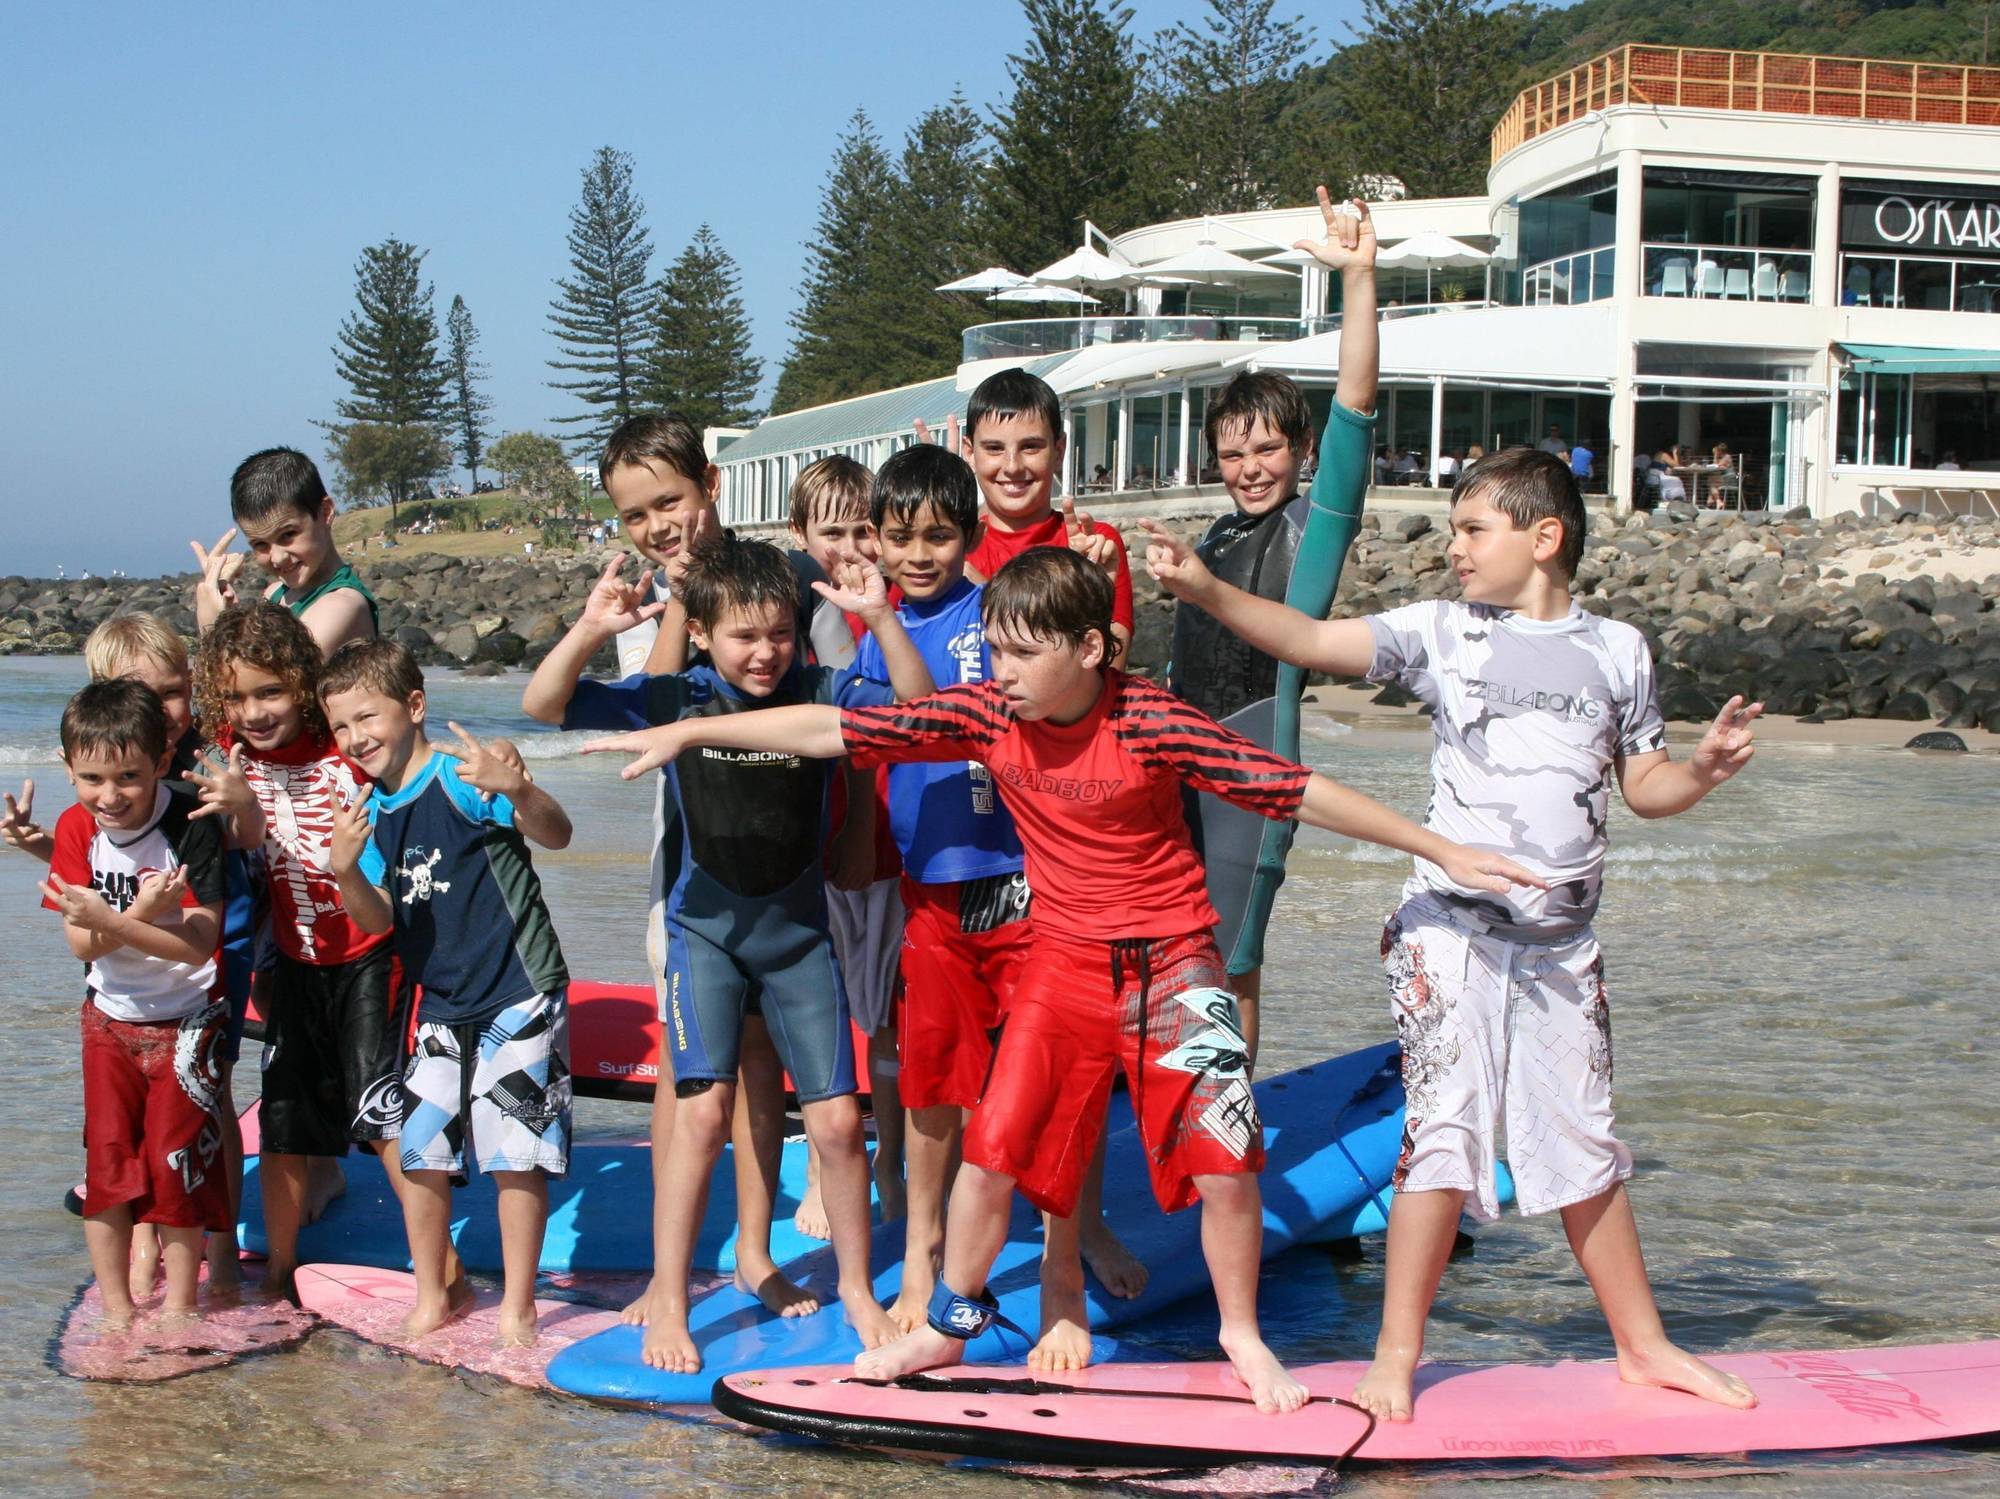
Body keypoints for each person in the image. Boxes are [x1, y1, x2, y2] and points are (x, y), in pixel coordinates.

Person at [583, 547, 1544, 1412]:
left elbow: (1292, 789)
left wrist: (1440, 847)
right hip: (1063, 963)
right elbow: (836, 727)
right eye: (992, 649)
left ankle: (1242, 1337)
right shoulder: (993, 712)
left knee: (1229, 1163)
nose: (997, 671)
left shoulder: (1154, 720)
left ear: (1090, 648)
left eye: (1017, 653)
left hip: (1178, 967)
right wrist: (689, 736)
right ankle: (944, 1328)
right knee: (993, 1152)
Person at [1144, 447, 1765, 1423]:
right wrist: (1207, 587)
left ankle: (1642, 1344)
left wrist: (1701, 770)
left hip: (1560, 946)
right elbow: (1305, 639)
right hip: (1448, 934)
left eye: (1473, 528)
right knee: (1441, 1132)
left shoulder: (1618, 652)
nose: (1454, 546)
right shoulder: (1441, 634)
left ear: (1543, 536)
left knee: (1582, 1142)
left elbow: (1640, 788)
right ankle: (1396, 1354)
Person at [529, 533, 933, 1373]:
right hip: (704, 932)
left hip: (798, 936)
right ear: (704, 631)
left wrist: (879, 619)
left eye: (780, 631)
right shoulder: (675, 692)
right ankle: (672, 1295)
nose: (765, 651)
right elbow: (543, 704)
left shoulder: (823, 684)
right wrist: (588, 631)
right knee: (705, 1112)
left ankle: (857, 1286)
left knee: (832, 1120)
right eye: (744, 635)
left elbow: (919, 709)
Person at [1161, 189, 1379, 1068]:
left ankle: (1233, 1141)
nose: (1252, 468)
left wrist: (1360, 279)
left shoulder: (1310, 531)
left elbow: (1358, 408)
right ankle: (1200, 1115)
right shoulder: (1215, 536)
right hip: (1183, 768)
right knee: (1184, 957)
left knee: (1232, 965)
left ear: (1300, 451)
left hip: (1251, 775)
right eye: (1234, 452)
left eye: (1269, 449)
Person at [844, 444, 1047, 1353]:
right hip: (930, 884)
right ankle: (923, 1246)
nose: (919, 553)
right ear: (877, 541)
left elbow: (936, 719)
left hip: (1013, 875)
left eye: (937, 535)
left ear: (969, 536)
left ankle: (1072, 1236)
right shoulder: (863, 636)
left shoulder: (990, 619)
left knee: (1035, 1069)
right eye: (901, 537)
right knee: (932, 1076)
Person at [323, 640, 572, 1347]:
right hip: (440, 1003)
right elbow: (378, 920)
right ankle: (436, 1293)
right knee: (420, 1152)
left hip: (518, 990)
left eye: (365, 716)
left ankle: (519, 1307)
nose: (354, 737)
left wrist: (519, 788)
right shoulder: (373, 808)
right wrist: (345, 870)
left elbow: (557, 833)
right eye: (340, 726)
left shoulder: (465, 777)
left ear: (415, 706)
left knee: (514, 1154)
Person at [191, 602, 440, 1304]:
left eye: (270, 692)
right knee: (283, 1117)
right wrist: (240, 796)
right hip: (295, 961)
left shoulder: (343, 751)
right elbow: (241, 842)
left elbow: (414, 771)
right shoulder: (231, 753)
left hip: (372, 956)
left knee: (378, 1109)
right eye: (237, 697)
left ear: (302, 684)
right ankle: (278, 1269)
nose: (255, 710)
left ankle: (438, 1266)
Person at [37, 679, 230, 1332]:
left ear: (160, 760)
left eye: (129, 775)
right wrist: (140, 915)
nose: (110, 794)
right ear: (68, 769)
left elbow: (201, 946)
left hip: (188, 1022)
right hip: (108, 1021)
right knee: (108, 1168)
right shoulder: (73, 828)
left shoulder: (192, 821)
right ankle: (118, 1311)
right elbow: (75, 943)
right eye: (91, 777)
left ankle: (179, 1308)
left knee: (178, 1169)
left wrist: (122, 918)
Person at [786, 456, 908, 1232]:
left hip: (896, 837)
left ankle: (890, 1158)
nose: (850, 547)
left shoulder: (889, 608)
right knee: (821, 1004)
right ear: (800, 537)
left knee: (893, 1011)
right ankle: (824, 1168)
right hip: (820, 837)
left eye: (865, 529)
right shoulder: (797, 610)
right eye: (831, 532)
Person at [959, 367, 1136, 669]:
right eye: (993, 448)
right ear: (969, 452)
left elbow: (1109, 672)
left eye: (1030, 447)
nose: (1012, 466)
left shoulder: (1095, 546)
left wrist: (1087, 591)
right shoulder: (948, 552)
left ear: (1059, 450)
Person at [190, 448, 378, 658]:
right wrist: (223, 600)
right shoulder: (276, 594)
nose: (278, 557)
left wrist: (214, 627)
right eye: (260, 545)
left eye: (288, 534)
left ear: (325, 513)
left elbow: (274, 679)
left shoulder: (342, 606)